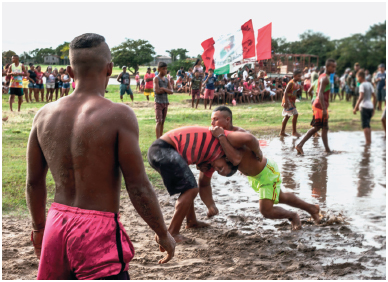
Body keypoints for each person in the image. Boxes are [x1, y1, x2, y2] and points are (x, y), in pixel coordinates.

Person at [27, 33, 175, 280]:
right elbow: (138, 186)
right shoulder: (118, 115)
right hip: (97, 231)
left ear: (69, 72)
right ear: (109, 69)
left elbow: (33, 183)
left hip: (56, 222)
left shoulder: (43, 115)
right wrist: (162, 233)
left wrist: (38, 229)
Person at [148, 126, 254, 242]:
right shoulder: (220, 143)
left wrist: (211, 205)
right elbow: (247, 138)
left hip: (164, 151)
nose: (217, 170)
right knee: (191, 189)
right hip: (162, 149)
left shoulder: (211, 162)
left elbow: (204, 184)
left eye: (219, 172)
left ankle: (191, 221)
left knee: (190, 187)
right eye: (221, 168)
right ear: (226, 158)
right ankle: (172, 232)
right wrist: (257, 152)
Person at [206, 125, 320, 230]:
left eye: (216, 119)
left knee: (266, 210)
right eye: (212, 119)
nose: (213, 122)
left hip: (266, 172)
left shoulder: (236, 133)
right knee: (281, 197)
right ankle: (312, 208)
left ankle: (293, 216)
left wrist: (257, 151)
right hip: (255, 176)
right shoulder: (222, 138)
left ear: (227, 120)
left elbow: (250, 139)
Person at [296, 59, 337, 155]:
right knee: (318, 127)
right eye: (333, 67)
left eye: (335, 67)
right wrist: (323, 109)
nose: (334, 69)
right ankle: (300, 145)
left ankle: (327, 149)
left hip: (320, 105)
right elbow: (321, 93)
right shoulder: (325, 78)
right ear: (327, 67)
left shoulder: (323, 76)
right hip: (319, 106)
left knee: (322, 127)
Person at [353, 70, 376, 145]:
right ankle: (369, 141)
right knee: (368, 124)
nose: (357, 79)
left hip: (364, 107)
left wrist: (355, 107)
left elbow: (361, 96)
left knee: (365, 125)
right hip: (370, 106)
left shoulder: (362, 85)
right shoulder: (369, 84)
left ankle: (367, 142)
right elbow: (374, 97)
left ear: (360, 77)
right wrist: (373, 108)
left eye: (357, 77)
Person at [280, 69, 302, 137]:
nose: (300, 77)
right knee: (295, 114)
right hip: (288, 100)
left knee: (287, 116)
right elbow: (285, 92)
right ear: (294, 76)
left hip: (292, 101)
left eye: (300, 76)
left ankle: (282, 132)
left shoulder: (296, 83)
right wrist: (286, 102)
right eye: (298, 76)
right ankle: (294, 132)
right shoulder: (291, 83)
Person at [154, 62, 173, 139]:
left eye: (166, 69)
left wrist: (164, 89)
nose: (165, 70)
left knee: (163, 122)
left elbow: (171, 91)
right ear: (159, 69)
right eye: (163, 69)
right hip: (158, 103)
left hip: (165, 103)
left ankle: (161, 138)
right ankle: (157, 139)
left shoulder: (166, 80)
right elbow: (157, 91)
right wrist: (166, 90)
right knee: (159, 121)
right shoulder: (156, 78)